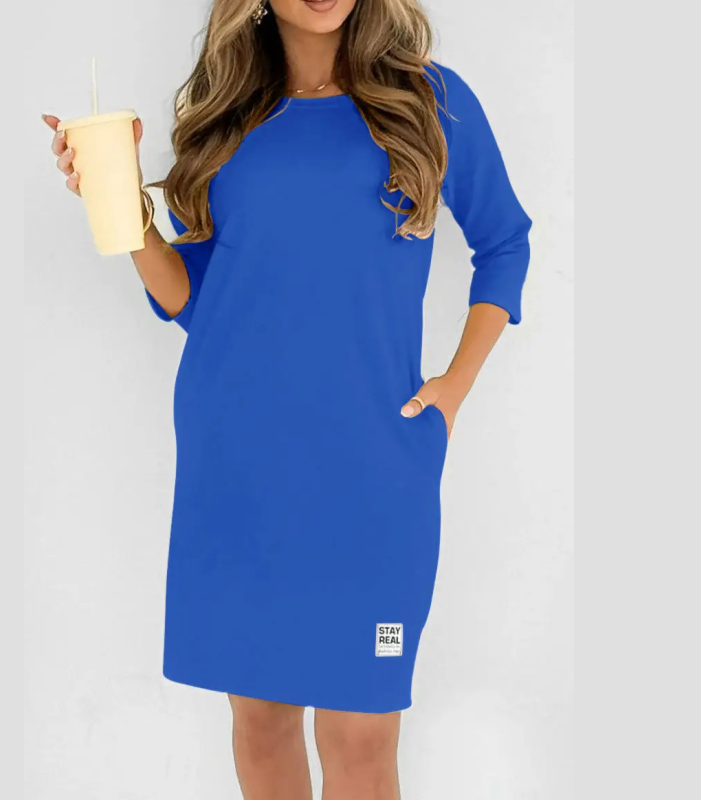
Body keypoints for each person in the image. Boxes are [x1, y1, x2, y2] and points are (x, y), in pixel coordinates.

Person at [43, 1, 531, 797]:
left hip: (374, 470)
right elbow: (199, 300)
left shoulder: (428, 100)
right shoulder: (227, 116)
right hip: (238, 462)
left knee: (361, 734)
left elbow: (505, 241)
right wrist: (119, 199)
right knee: (262, 720)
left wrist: (454, 387)